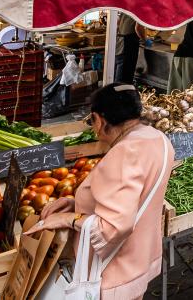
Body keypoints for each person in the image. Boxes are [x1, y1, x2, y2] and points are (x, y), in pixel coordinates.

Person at [28, 84, 175, 299]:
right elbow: (134, 197)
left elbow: (113, 227)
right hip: (139, 259)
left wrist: (69, 218)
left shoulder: (124, 154)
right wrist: (77, 204)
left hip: (113, 273)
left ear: (99, 119)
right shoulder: (157, 138)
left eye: (91, 122)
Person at [113, 14, 145, 85]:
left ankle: (115, 91)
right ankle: (122, 93)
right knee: (125, 74)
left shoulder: (126, 9)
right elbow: (138, 28)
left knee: (118, 69)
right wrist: (144, 39)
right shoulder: (139, 9)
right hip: (128, 42)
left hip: (119, 40)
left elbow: (117, 24)